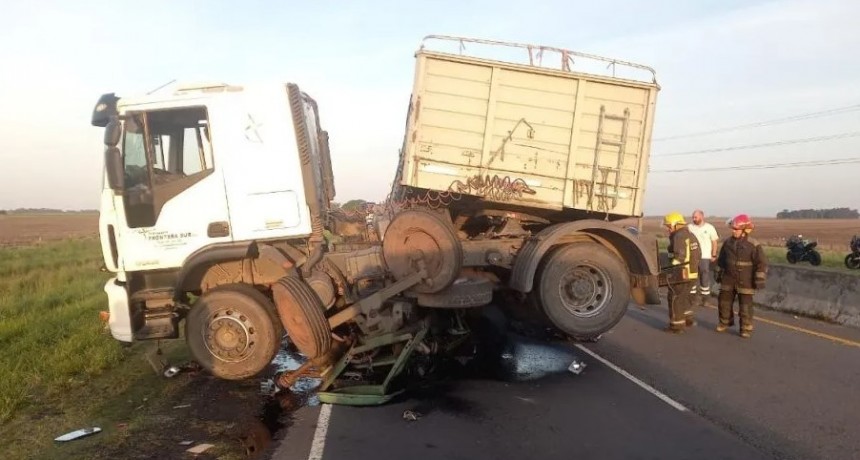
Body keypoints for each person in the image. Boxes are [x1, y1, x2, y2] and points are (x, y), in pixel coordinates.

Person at [714, 214, 768, 338]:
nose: (733, 231)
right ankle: (724, 322)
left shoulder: (753, 244)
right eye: (733, 229)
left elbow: (761, 263)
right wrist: (718, 273)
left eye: (736, 229)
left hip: (746, 279)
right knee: (724, 302)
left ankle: (745, 328)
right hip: (728, 278)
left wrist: (759, 279)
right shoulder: (727, 243)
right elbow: (721, 260)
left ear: (744, 230)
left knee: (745, 306)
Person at [663, 211, 701, 334]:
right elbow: (698, 254)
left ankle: (677, 326)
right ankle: (687, 319)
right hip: (692, 273)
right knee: (684, 298)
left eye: (668, 226)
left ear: (674, 224)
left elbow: (680, 257)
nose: (668, 229)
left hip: (682, 274)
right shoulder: (690, 235)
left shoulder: (679, 236)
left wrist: (670, 270)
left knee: (675, 299)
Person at [688, 209, 720, 306]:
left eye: (696, 217)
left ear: (702, 217)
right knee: (692, 277)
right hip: (692, 257)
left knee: (704, 276)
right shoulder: (690, 227)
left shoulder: (709, 228)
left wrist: (713, 254)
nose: (694, 219)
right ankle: (692, 298)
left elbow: (714, 242)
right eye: (693, 217)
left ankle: (705, 298)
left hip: (705, 256)